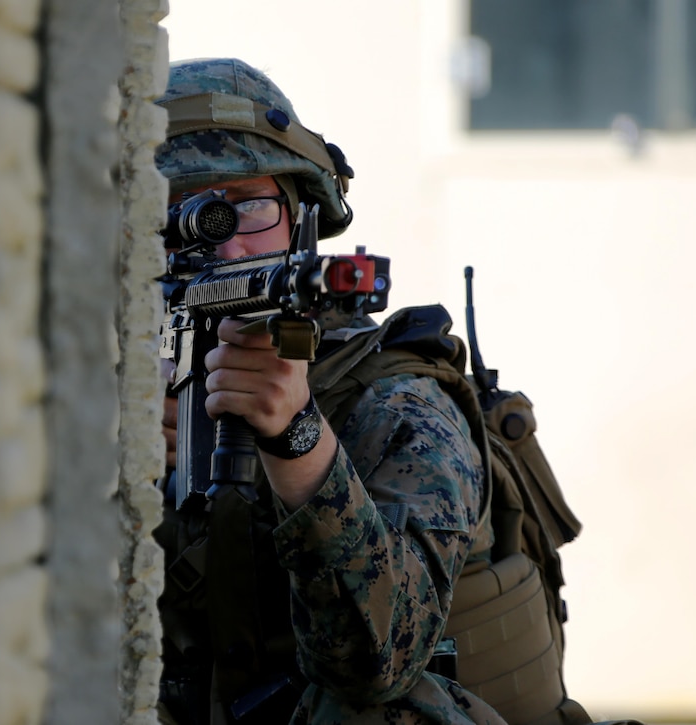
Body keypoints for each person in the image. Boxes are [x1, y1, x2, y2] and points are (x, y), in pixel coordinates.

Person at [153, 57, 521, 725]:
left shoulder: (399, 401)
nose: (225, 247)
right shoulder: (118, 375)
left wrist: (298, 443)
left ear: (303, 216)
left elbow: (378, 665)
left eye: (249, 207)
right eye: (178, 218)